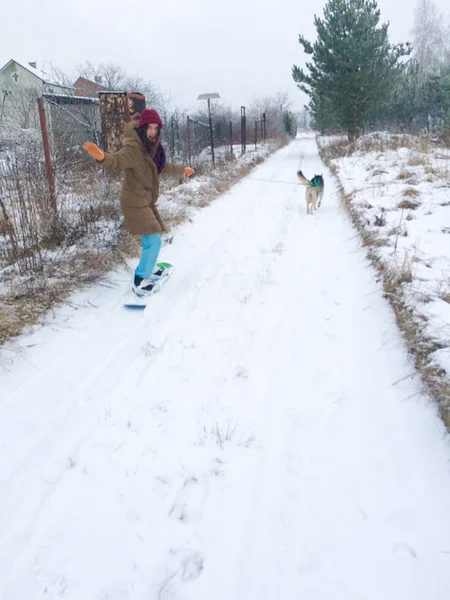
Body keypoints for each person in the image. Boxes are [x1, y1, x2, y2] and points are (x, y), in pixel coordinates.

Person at [83, 108, 194, 295]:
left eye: (155, 128)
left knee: (150, 240)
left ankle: (147, 270)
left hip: (145, 201)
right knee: (155, 240)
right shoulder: (134, 148)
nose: (152, 132)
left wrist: (182, 169)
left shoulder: (153, 148)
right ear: (142, 128)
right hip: (134, 201)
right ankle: (140, 278)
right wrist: (101, 157)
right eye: (149, 128)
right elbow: (117, 160)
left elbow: (162, 167)